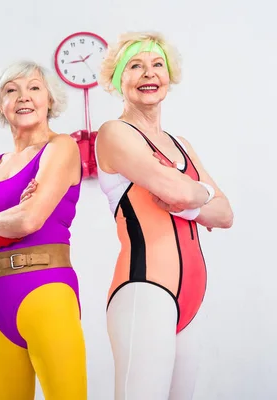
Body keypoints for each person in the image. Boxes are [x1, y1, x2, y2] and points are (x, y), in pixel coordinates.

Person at [93, 32, 234, 399]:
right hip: (145, 290)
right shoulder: (114, 133)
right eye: (135, 66)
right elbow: (178, 191)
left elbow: (225, 213)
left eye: (157, 65)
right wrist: (200, 197)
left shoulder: (181, 144)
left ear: (169, 75)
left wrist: (194, 199)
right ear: (117, 79)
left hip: (191, 296)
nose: (148, 74)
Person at [0, 60, 88, 399]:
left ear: (50, 100)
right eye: (12, 90)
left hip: (46, 292)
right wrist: (11, 221)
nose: (24, 97)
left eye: (34, 88)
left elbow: (28, 221)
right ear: (1, 105)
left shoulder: (61, 148)